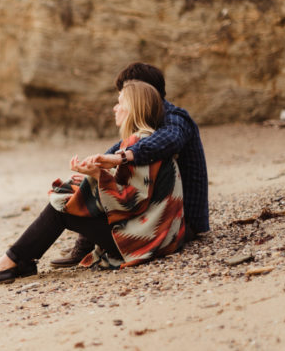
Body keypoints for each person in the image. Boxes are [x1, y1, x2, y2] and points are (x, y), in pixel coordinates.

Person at [0, 80, 186, 287]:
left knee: (61, 210)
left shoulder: (140, 142)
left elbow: (130, 203)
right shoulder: (145, 141)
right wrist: (87, 179)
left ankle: (10, 263)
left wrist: (97, 176)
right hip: (158, 237)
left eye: (119, 103)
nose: (115, 109)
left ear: (134, 109)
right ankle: (17, 261)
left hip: (144, 243)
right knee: (69, 194)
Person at [50, 62, 209, 268]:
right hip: (155, 212)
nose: (121, 102)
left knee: (107, 188)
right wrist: (94, 173)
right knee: (93, 183)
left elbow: (165, 141)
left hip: (180, 222)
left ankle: (81, 246)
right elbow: (115, 154)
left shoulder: (175, 120)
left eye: (125, 95)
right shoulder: (147, 125)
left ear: (143, 93)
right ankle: (82, 246)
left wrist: (120, 159)